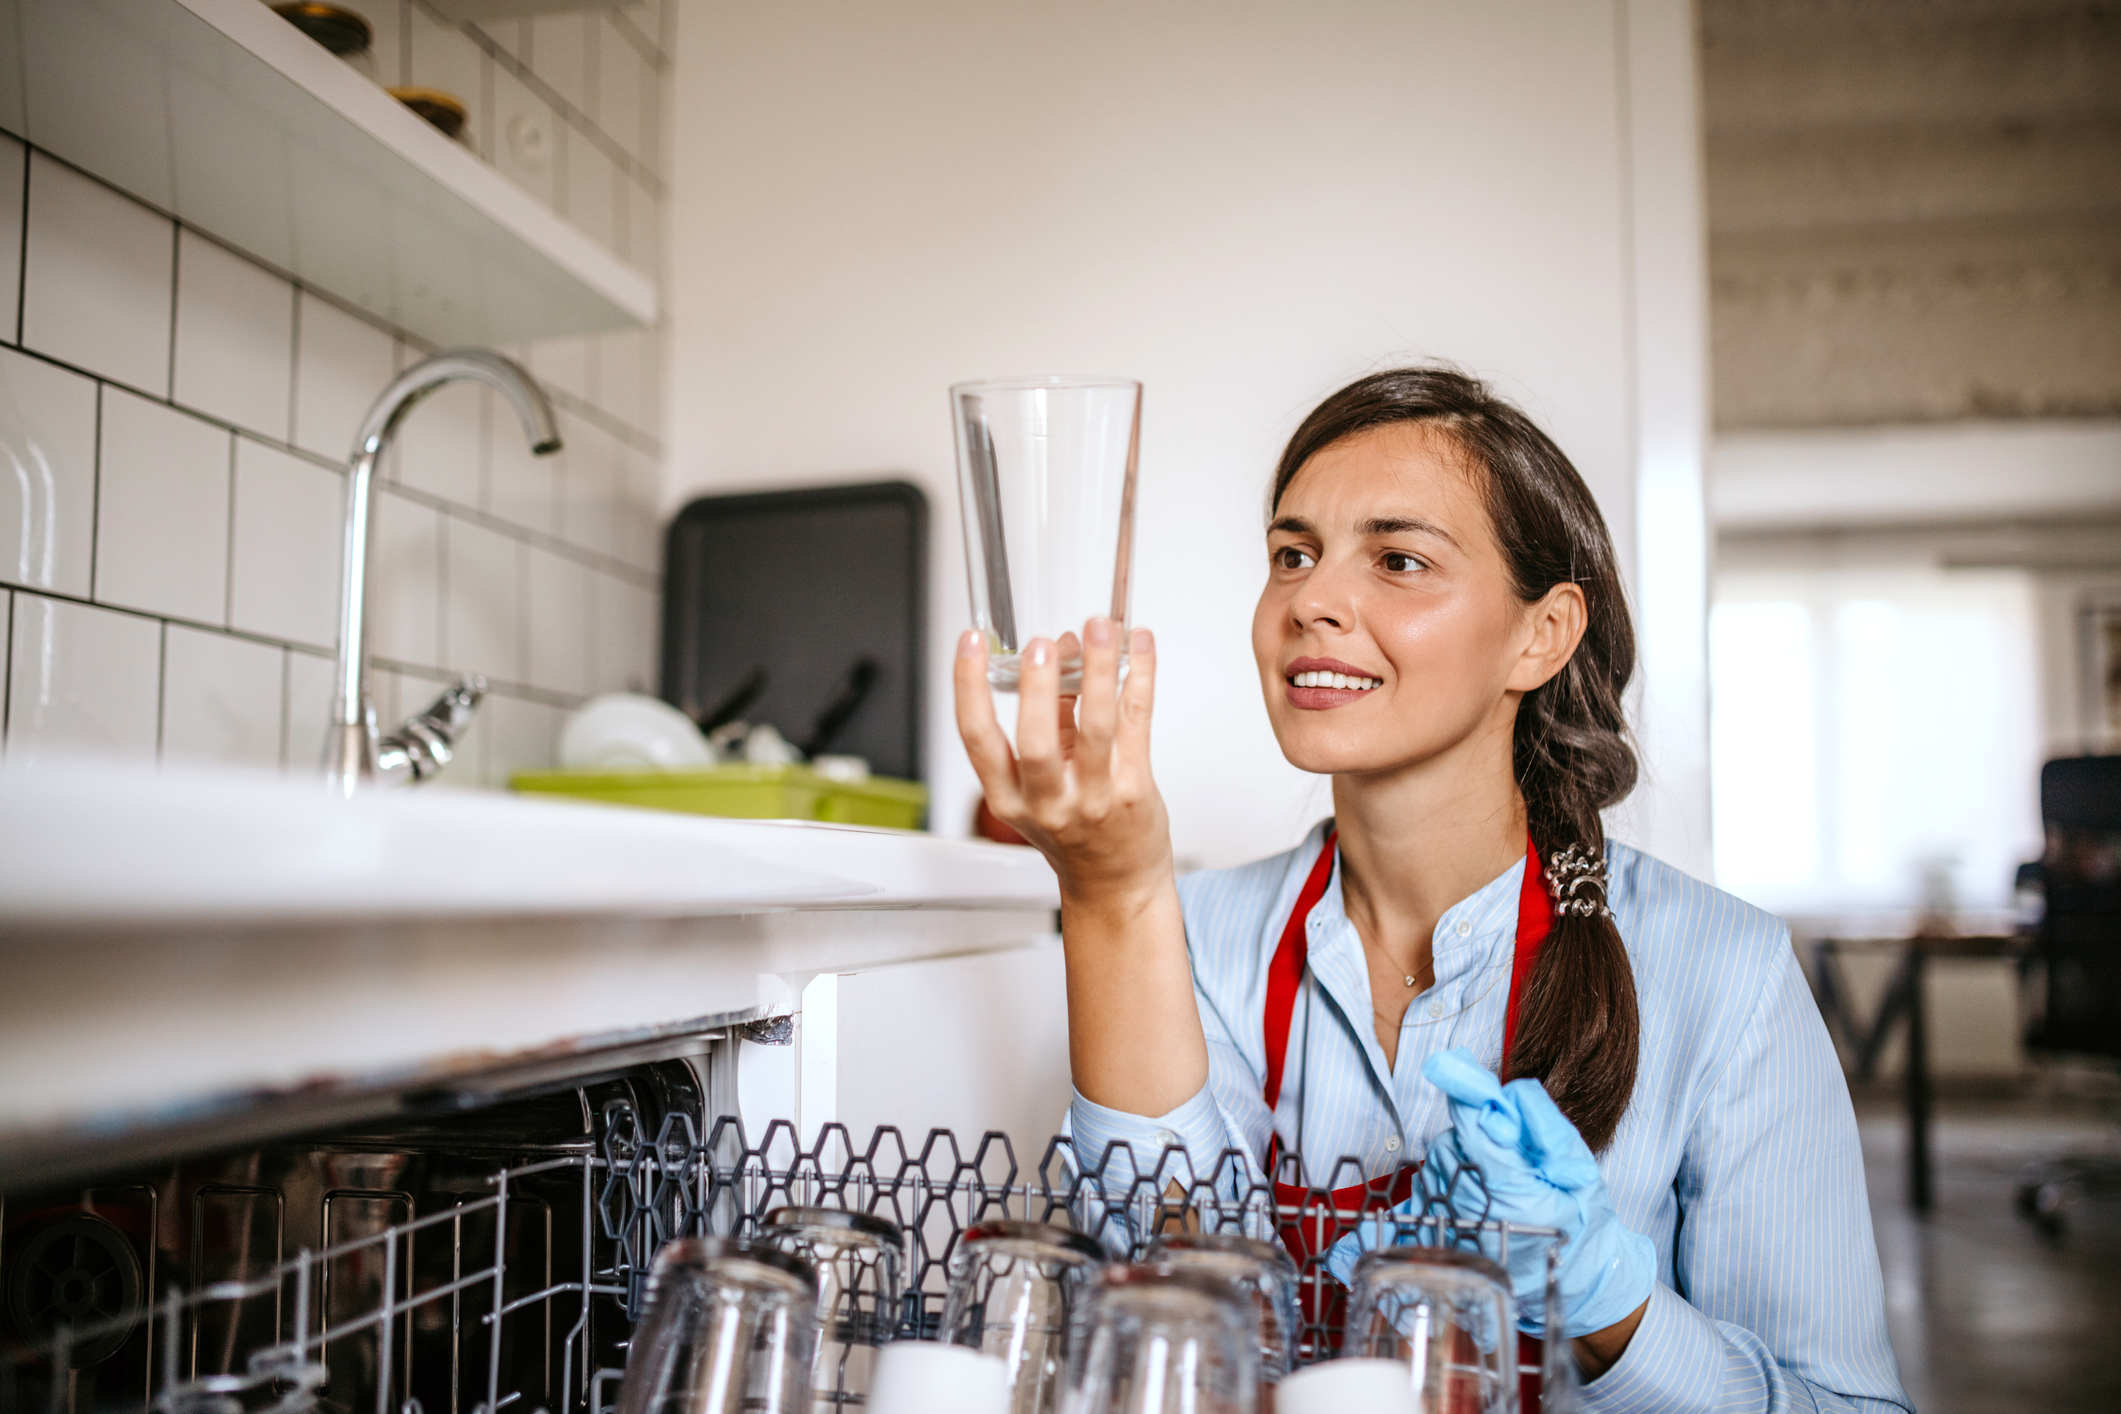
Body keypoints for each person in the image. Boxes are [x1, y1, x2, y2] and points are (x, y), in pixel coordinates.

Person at [953, 367, 1910, 1411]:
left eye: (1399, 558)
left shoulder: (1725, 975)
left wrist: (1611, 1309)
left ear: (1541, 634)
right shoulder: (1193, 942)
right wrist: (1111, 895)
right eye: (1292, 555)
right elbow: (1161, 1324)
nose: (1310, 600)